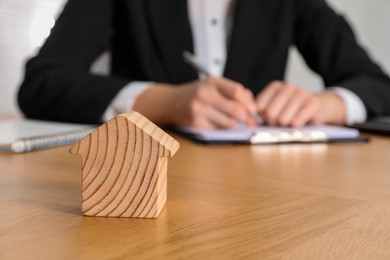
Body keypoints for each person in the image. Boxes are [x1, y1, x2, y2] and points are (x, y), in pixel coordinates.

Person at [18, 0, 390, 129]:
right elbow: (41, 84)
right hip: (149, 180)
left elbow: (376, 83)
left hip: (264, 192)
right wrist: (167, 103)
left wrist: (323, 105)